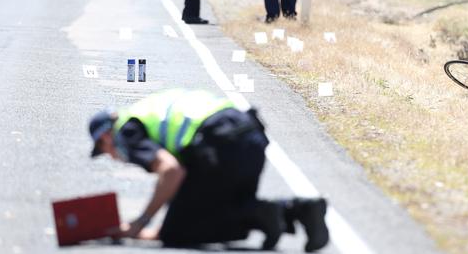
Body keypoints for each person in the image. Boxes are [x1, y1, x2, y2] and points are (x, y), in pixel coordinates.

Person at [89, 89, 329, 252]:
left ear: (105, 135)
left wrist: (139, 223)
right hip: (250, 136)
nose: (110, 156)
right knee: (223, 209)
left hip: (220, 145)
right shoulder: (147, 108)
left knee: (178, 233)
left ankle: (269, 212)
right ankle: (299, 211)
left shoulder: (125, 132)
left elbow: (171, 172)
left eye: (104, 149)